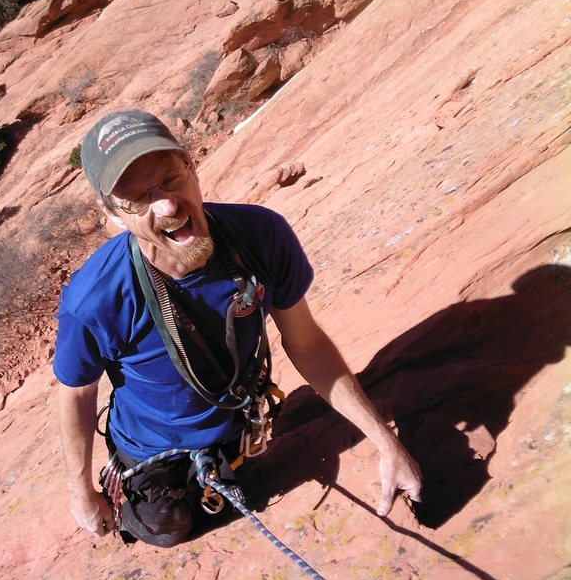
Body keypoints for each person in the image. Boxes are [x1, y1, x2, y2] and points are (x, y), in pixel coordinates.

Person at [55, 110, 422, 547]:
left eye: (172, 178)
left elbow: (307, 344)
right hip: (158, 447)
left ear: (192, 165)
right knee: (164, 525)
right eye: (138, 199)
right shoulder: (95, 298)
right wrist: (82, 494)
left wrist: (385, 442)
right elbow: (77, 392)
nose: (167, 205)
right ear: (112, 215)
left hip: (239, 423)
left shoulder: (260, 235)